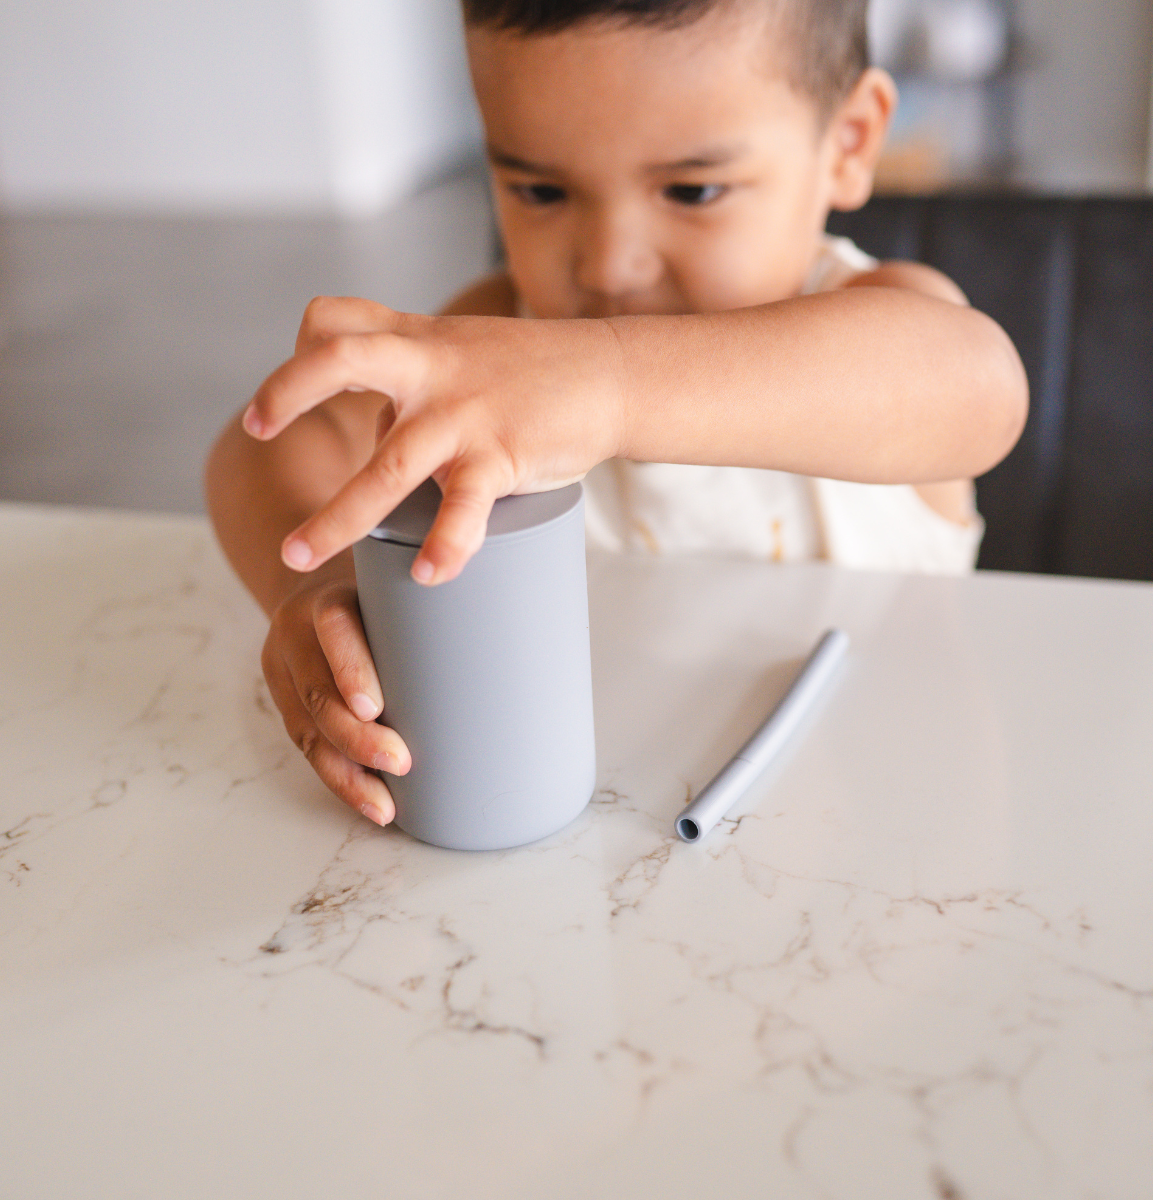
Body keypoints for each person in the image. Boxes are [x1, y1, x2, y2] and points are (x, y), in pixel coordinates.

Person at [206, 0, 1028, 828]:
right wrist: (311, 586)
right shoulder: (505, 334)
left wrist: (607, 379)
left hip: (880, 836)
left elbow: (982, 389)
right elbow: (270, 442)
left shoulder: (890, 320)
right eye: (540, 188)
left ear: (848, 142)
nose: (609, 265)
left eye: (692, 189)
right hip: (603, 847)